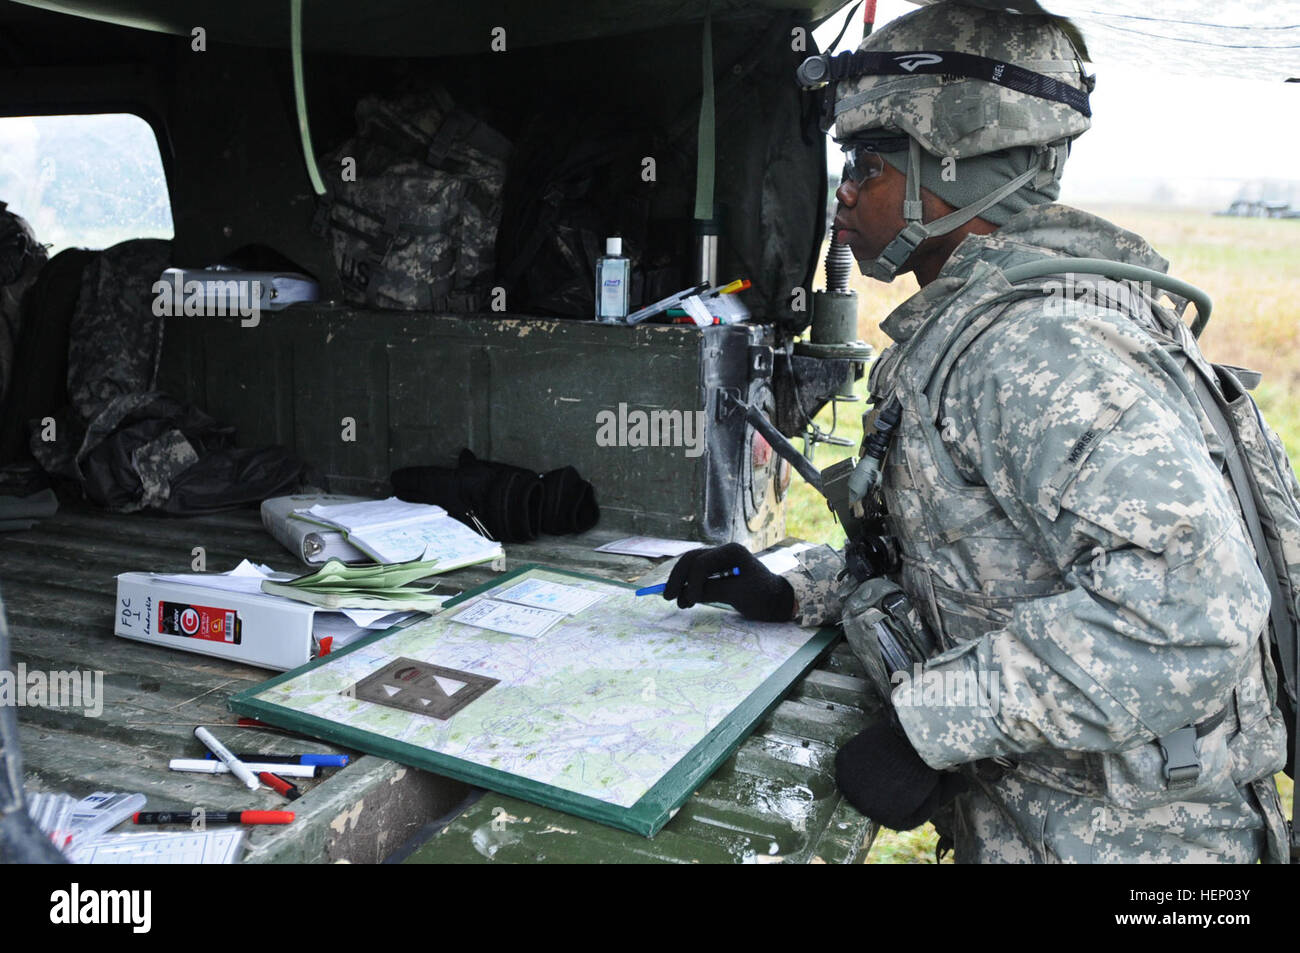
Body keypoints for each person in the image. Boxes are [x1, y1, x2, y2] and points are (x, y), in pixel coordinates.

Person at [663, 2, 1292, 863]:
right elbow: (974, 558)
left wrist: (927, 726)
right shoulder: (982, 327)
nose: (843, 192)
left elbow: (1191, 605)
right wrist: (791, 587)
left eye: (869, 164)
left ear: (951, 172)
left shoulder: (1037, 346)